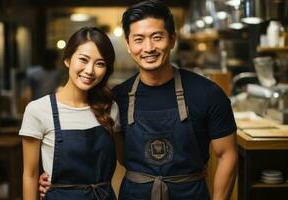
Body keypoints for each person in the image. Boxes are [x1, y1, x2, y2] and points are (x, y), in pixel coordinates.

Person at [40, 1, 238, 199]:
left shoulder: (207, 93)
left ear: (172, 39)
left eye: (157, 37)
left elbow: (227, 154)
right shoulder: (116, 98)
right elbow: (86, 146)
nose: (148, 48)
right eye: (139, 39)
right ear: (128, 44)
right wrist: (55, 181)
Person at [20, 27, 119, 200]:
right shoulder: (38, 110)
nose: (90, 70)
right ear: (67, 59)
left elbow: (127, 160)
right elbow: (30, 175)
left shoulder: (110, 109)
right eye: (83, 59)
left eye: (100, 63)